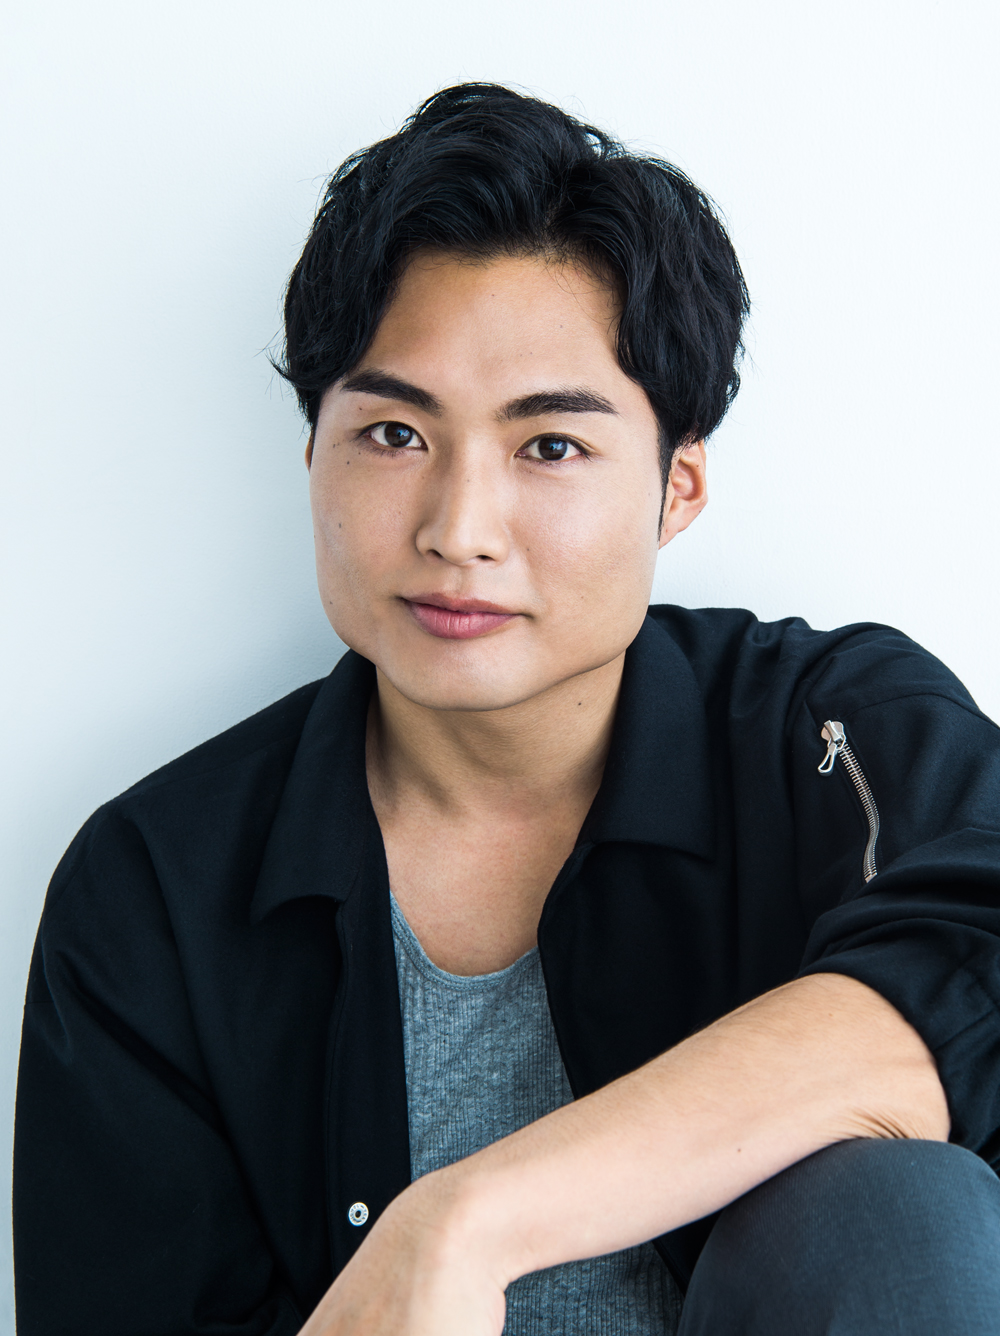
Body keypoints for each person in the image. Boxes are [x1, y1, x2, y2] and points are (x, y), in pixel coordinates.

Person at [13, 83, 1000, 1336]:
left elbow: (969, 974)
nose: (457, 530)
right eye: (392, 433)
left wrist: (465, 1220)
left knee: (896, 1208)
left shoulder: (828, 735)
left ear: (678, 486)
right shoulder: (155, 889)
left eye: (549, 447)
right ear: (310, 453)